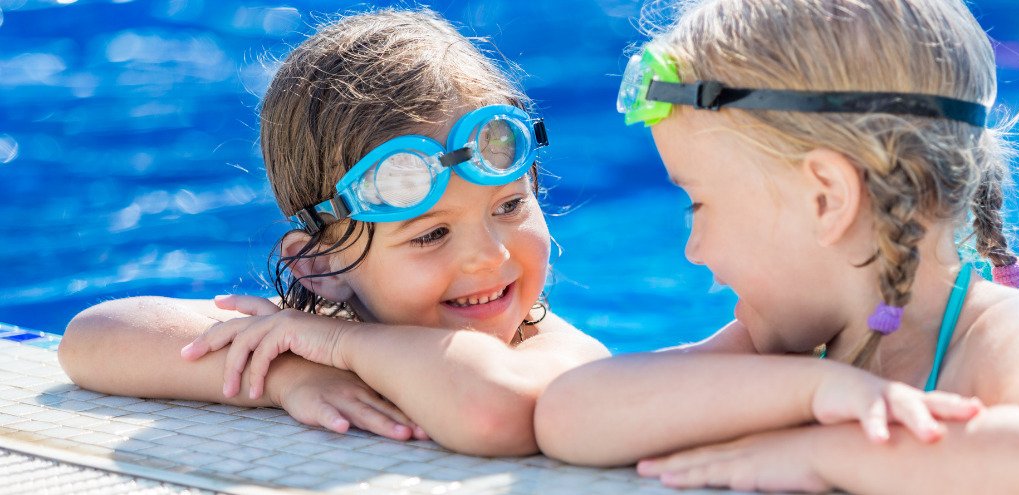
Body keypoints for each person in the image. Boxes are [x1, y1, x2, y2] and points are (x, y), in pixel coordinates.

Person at [534, 0, 1019, 492]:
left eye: (699, 204)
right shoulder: (802, 357)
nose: (693, 249)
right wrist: (814, 394)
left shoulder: (1000, 335)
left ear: (826, 199)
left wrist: (824, 453)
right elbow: (569, 416)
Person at [58, 7, 610, 457]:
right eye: (430, 235)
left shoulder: (550, 350)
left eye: (510, 206)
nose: (489, 256)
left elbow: (492, 412)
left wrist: (343, 346)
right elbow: (92, 338)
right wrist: (288, 378)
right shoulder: (310, 335)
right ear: (319, 266)